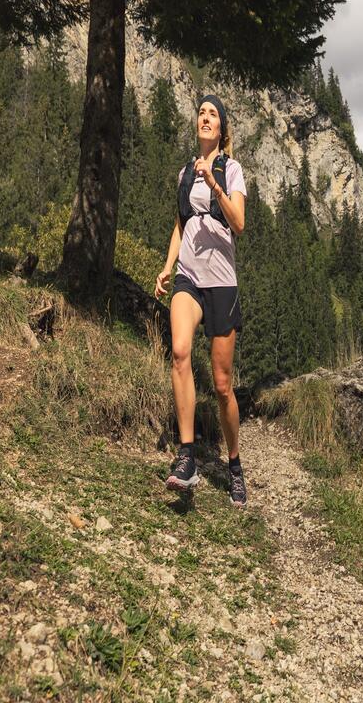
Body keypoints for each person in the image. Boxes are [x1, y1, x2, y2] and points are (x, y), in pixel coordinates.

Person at [154, 94, 248, 507]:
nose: (205, 118)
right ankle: (187, 457)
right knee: (178, 352)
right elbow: (181, 224)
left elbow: (240, 224)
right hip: (189, 278)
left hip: (222, 283)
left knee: (223, 385)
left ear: (222, 129)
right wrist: (167, 264)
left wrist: (213, 183)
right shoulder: (182, 174)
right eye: (201, 113)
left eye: (213, 114)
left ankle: (234, 463)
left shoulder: (232, 170)